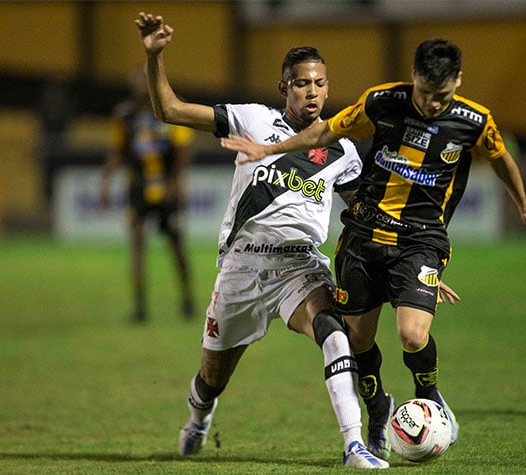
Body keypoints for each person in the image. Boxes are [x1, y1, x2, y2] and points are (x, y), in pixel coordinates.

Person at [222, 38, 526, 460]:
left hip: (420, 241)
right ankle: (379, 409)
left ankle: (430, 400)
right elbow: (326, 130)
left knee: (412, 335)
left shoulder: (475, 120)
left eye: (442, 97)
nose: (432, 104)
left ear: (458, 82)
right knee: (357, 339)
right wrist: (269, 149)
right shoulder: (382, 102)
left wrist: (524, 205)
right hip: (363, 238)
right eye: (424, 93)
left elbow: (501, 157)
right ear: (413, 76)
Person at [134, 11, 395, 468]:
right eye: (300, 83)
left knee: (333, 333)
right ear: (283, 88)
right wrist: (154, 57)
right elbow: (168, 110)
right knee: (212, 377)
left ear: (328, 88)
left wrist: (409, 257)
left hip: (300, 267)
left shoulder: (343, 150)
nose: (311, 91)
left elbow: (366, 216)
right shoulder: (251, 120)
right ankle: (199, 416)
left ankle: (353, 445)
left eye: (319, 83)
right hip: (243, 268)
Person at [99, 66, 195, 323]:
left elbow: (183, 148)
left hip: (167, 186)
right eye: (136, 82)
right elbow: (117, 151)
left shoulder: (171, 110)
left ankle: (187, 299)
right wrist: (105, 183)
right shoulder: (124, 115)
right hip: (138, 187)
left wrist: (176, 181)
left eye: (145, 81)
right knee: (137, 243)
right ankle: (140, 307)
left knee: (176, 245)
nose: (141, 87)